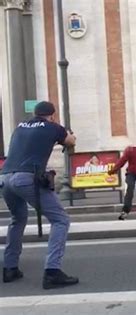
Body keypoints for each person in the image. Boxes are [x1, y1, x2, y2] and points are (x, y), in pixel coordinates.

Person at [1, 101, 78, 289]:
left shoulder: (20, 127)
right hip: (27, 178)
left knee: (17, 219)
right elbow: (70, 142)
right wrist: (69, 134)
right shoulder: (53, 127)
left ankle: (10, 268)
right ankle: (52, 272)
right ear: (52, 115)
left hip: (5, 178)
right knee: (60, 220)